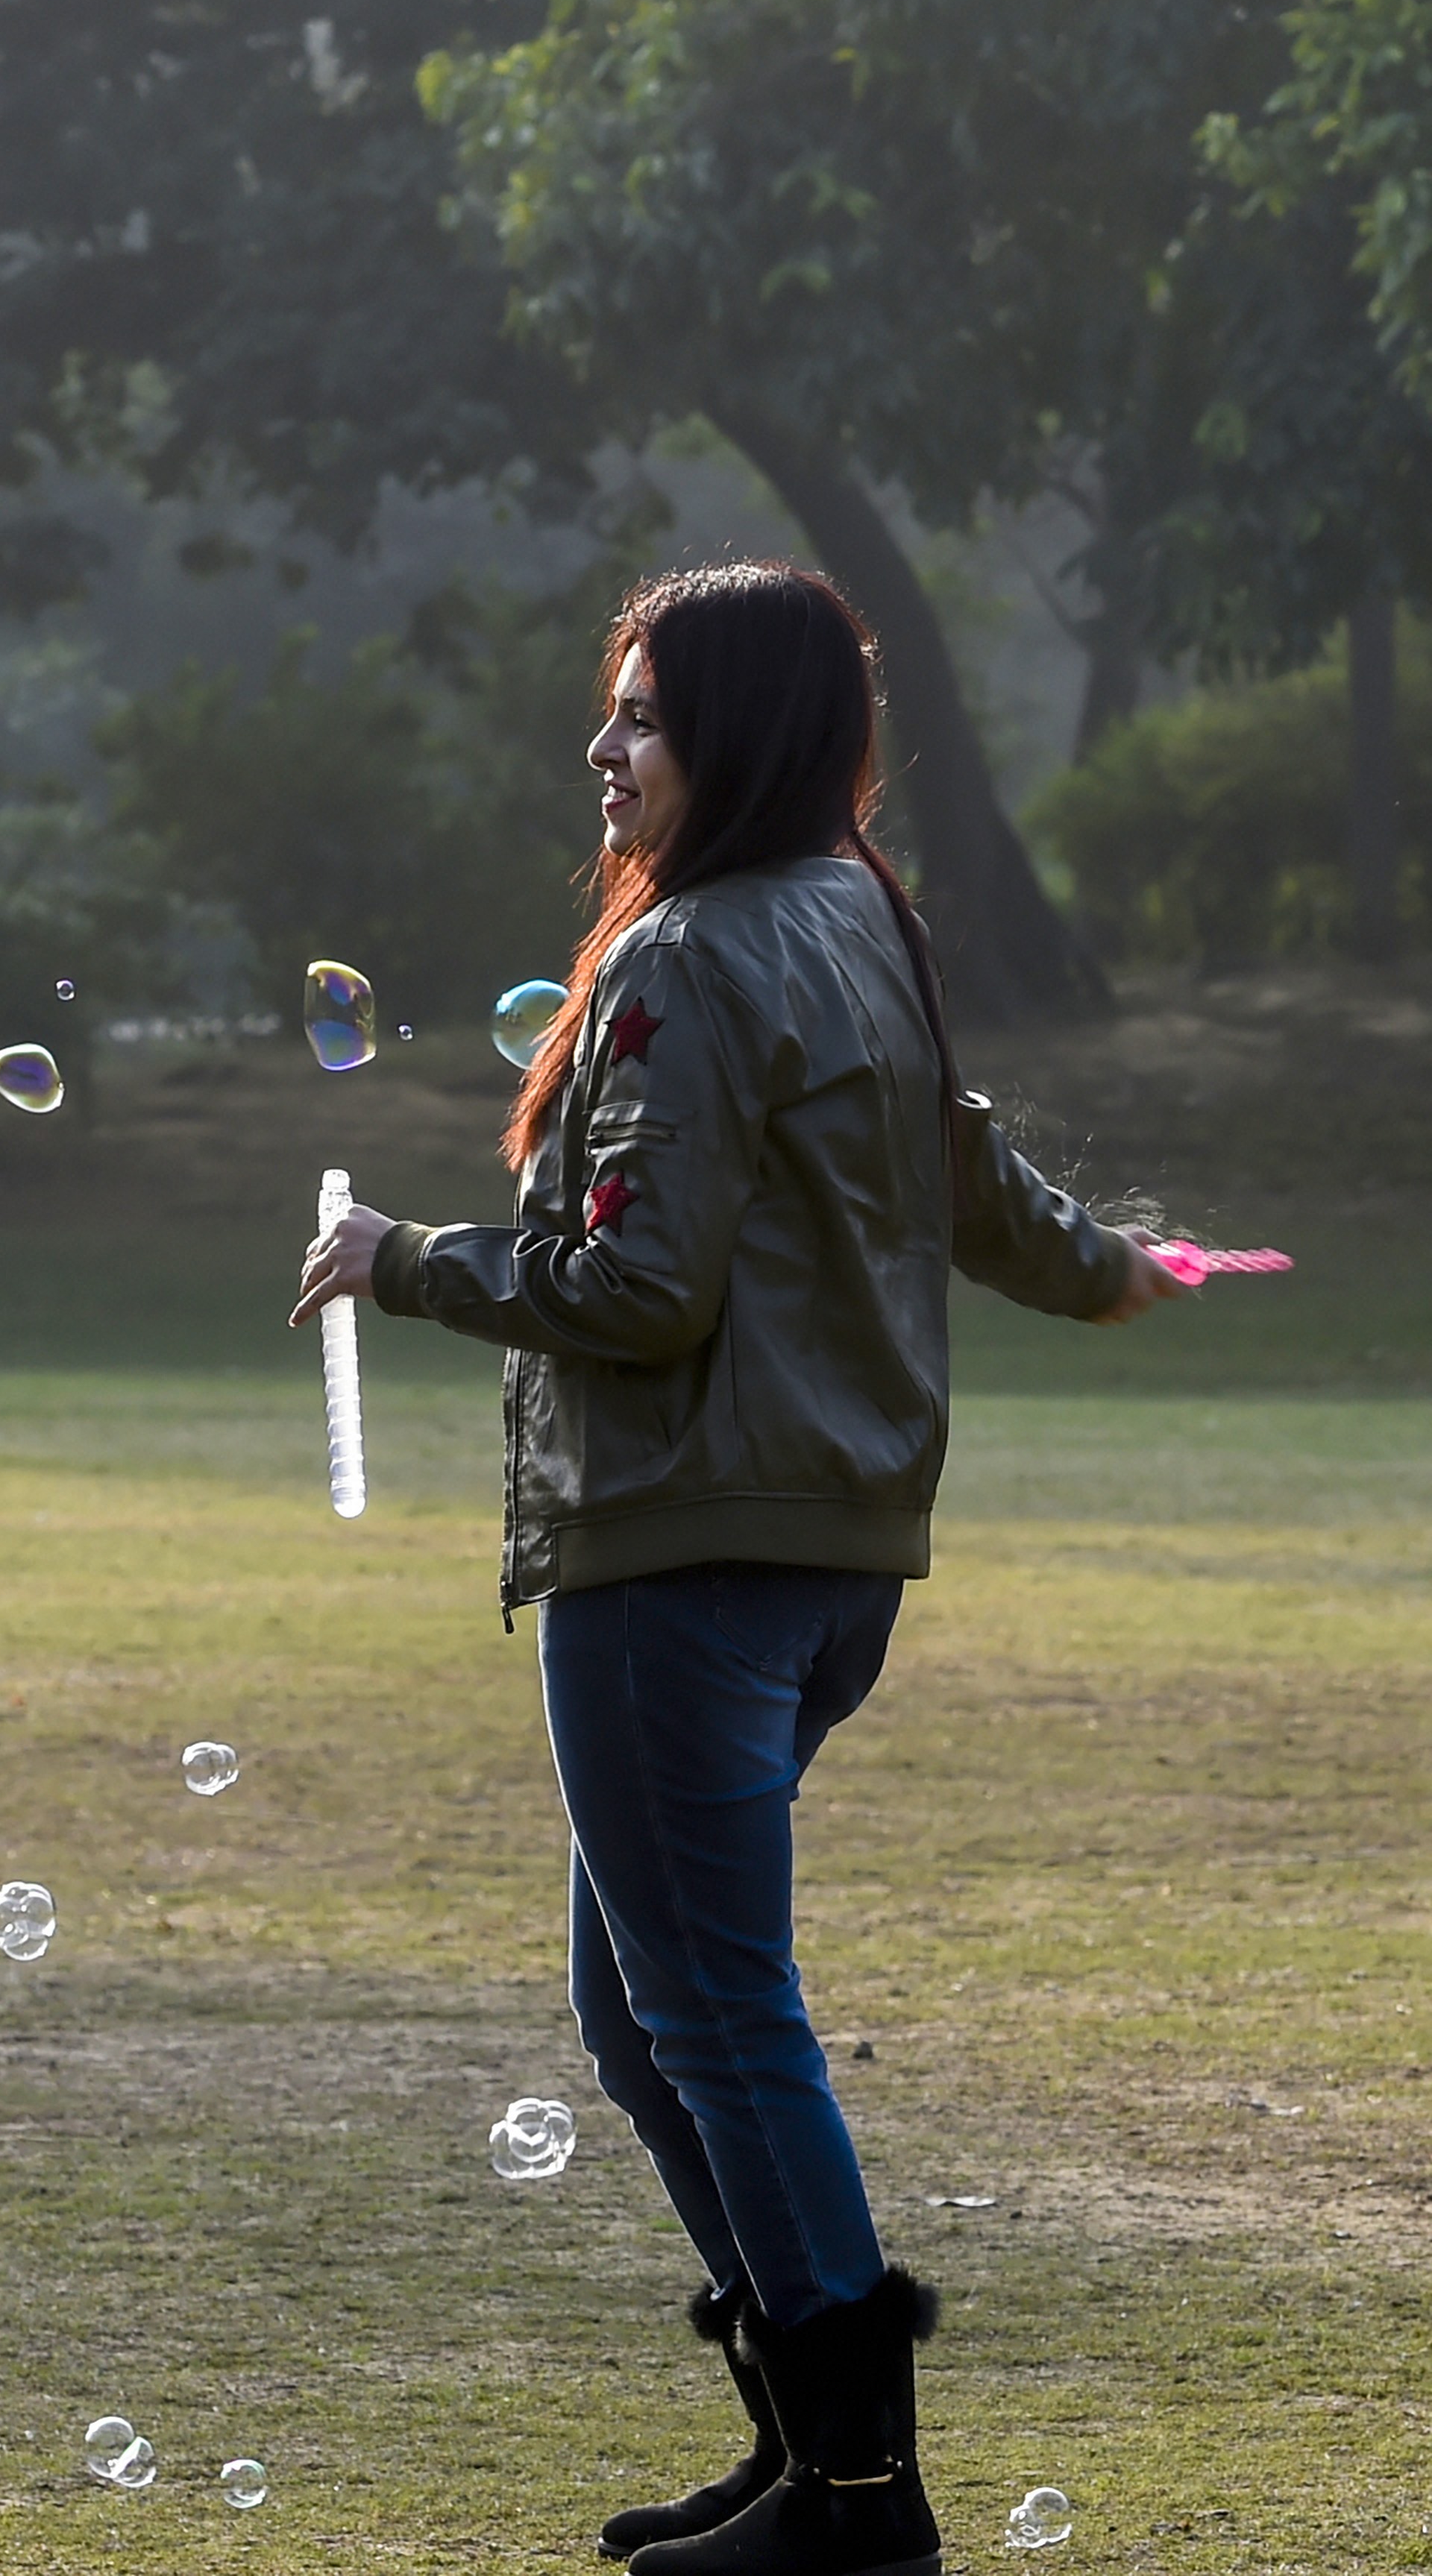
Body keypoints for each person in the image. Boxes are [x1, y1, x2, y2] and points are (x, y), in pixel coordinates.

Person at [292, 561, 1185, 2576]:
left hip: (681, 1549)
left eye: (639, 715)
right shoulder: (863, 914)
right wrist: (1123, 1268)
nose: (601, 749)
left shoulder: (687, 955)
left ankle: (860, 2501)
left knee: (716, 2007)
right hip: (830, 1558)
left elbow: (637, 1285)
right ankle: (810, 2444)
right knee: (646, 2009)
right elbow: (972, 1179)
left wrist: (405, 1260)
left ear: (738, 738)